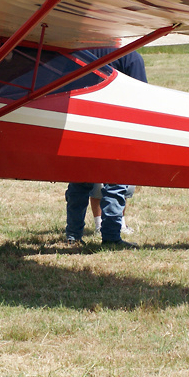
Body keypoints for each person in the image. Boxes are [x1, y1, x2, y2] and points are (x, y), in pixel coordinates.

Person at [64, 49, 147, 246]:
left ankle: (73, 236)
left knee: (79, 182)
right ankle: (111, 236)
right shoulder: (130, 57)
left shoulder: (76, 51)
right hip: (116, 127)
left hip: (81, 123)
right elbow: (141, 96)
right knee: (116, 184)